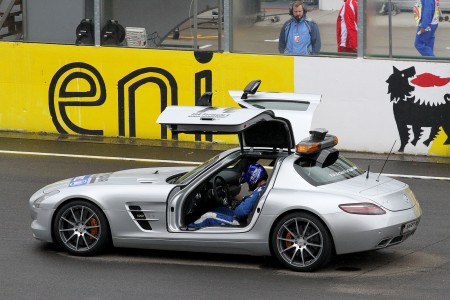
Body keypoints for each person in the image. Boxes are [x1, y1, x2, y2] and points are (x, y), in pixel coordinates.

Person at [188, 163, 268, 228]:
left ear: (253, 178)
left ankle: (189, 229)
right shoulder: (263, 188)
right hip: (245, 217)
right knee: (219, 209)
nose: (249, 184)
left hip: (241, 222)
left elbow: (241, 212)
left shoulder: (257, 192)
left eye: (248, 182)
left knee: (208, 216)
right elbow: (248, 202)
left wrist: (236, 206)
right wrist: (237, 201)